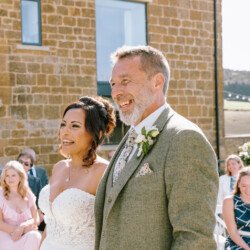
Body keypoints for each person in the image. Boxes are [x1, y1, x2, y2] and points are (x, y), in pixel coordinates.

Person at [94, 45, 219, 249]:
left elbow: (195, 239)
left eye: (125, 81)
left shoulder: (184, 139)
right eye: (113, 84)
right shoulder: (130, 138)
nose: (115, 92)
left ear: (157, 82)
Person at [38, 96, 116, 250]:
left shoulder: (103, 172)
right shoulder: (59, 167)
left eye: (74, 126)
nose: (65, 132)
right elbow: (51, 224)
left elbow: (113, 229)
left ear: (97, 134)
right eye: (63, 124)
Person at [0, 160, 41, 250]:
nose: (10, 179)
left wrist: (23, 227)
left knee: (35, 236)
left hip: (25, 232)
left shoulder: (27, 193)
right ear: (4, 178)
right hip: (6, 234)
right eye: (7, 176)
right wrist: (17, 230)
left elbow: (36, 218)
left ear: (20, 176)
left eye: (13, 175)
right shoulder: (0, 194)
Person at [223, 167, 250, 249]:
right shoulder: (229, 201)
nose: (248, 191)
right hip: (238, 242)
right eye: (244, 186)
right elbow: (233, 233)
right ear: (238, 184)